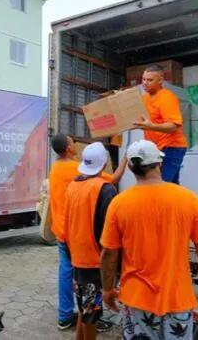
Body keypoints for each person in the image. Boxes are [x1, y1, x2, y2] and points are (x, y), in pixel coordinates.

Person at [99, 140, 198, 340]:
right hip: (177, 298)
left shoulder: (119, 203)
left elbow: (109, 253)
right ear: (160, 164)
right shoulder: (188, 199)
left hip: (136, 299)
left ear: (130, 167)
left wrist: (108, 289)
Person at [49, 134, 127, 332]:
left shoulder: (57, 167)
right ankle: (89, 316)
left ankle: (66, 315)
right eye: (72, 142)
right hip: (75, 233)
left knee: (68, 273)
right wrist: (126, 156)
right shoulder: (74, 170)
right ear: (68, 148)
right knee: (87, 278)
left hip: (62, 228)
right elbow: (114, 178)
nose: (75, 143)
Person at [62, 141, 119, 340]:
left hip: (77, 255)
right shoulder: (105, 189)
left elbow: (66, 222)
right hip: (95, 260)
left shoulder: (73, 186)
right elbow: (108, 232)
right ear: (103, 165)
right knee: (91, 312)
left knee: (85, 308)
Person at [132, 65, 188, 184]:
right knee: (169, 185)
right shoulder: (145, 98)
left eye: (150, 80)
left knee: (159, 184)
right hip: (156, 148)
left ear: (161, 81)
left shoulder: (167, 98)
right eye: (143, 79)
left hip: (172, 147)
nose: (145, 83)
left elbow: (174, 126)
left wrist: (151, 126)